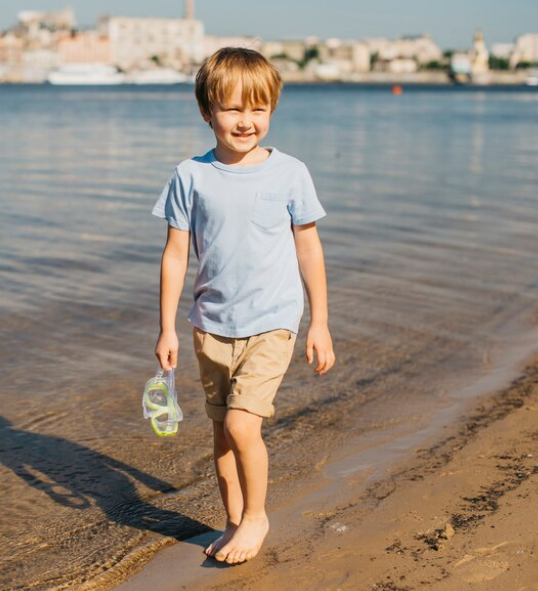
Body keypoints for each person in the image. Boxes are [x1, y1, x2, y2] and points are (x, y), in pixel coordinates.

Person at [151, 47, 336, 565]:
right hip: (211, 326)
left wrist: (319, 322)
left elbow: (308, 247)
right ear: (207, 112)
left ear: (271, 109)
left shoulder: (290, 173)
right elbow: (175, 254)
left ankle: (257, 516)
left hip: (273, 321)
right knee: (221, 435)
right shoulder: (189, 175)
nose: (246, 121)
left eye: (258, 109)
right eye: (232, 109)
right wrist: (167, 328)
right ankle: (234, 522)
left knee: (241, 425)